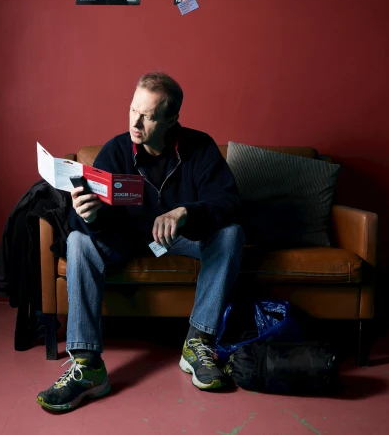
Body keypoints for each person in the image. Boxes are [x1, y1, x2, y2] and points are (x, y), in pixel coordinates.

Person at [36, 71, 245, 412]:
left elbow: (230, 203)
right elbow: (88, 224)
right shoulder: (116, 151)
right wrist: (88, 217)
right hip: (126, 239)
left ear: (172, 119)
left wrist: (186, 213)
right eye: (134, 110)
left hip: (180, 239)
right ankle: (88, 366)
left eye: (148, 116)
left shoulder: (200, 147)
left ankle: (198, 342)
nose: (136, 122)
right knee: (77, 241)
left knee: (232, 233)